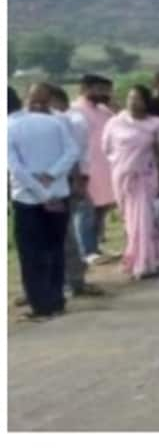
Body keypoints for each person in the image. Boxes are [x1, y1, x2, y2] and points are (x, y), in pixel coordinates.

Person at [9, 83, 80, 320]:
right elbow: (72, 152)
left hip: (28, 198)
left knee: (32, 253)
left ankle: (41, 304)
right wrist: (52, 175)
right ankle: (57, 299)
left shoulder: (9, 127)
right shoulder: (57, 122)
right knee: (54, 249)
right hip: (58, 193)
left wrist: (40, 192)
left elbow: (15, 169)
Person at [101, 85, 159, 281]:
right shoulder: (115, 123)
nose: (133, 102)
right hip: (122, 177)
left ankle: (143, 263)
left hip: (145, 176)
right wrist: (123, 164)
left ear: (146, 102)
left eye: (138, 98)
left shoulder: (155, 123)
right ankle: (139, 255)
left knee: (143, 220)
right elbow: (106, 148)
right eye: (130, 98)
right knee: (130, 222)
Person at [47, 86, 105, 298]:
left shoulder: (66, 121)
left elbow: (74, 154)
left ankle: (73, 279)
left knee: (66, 234)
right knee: (60, 234)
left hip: (63, 184)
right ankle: (66, 279)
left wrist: (78, 180)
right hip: (54, 185)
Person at [72, 74, 117, 262]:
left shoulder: (105, 111)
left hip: (105, 169)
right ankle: (87, 251)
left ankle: (97, 246)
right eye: (99, 89)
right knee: (85, 211)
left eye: (106, 90)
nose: (104, 94)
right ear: (86, 89)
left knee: (101, 210)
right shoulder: (75, 111)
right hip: (85, 170)